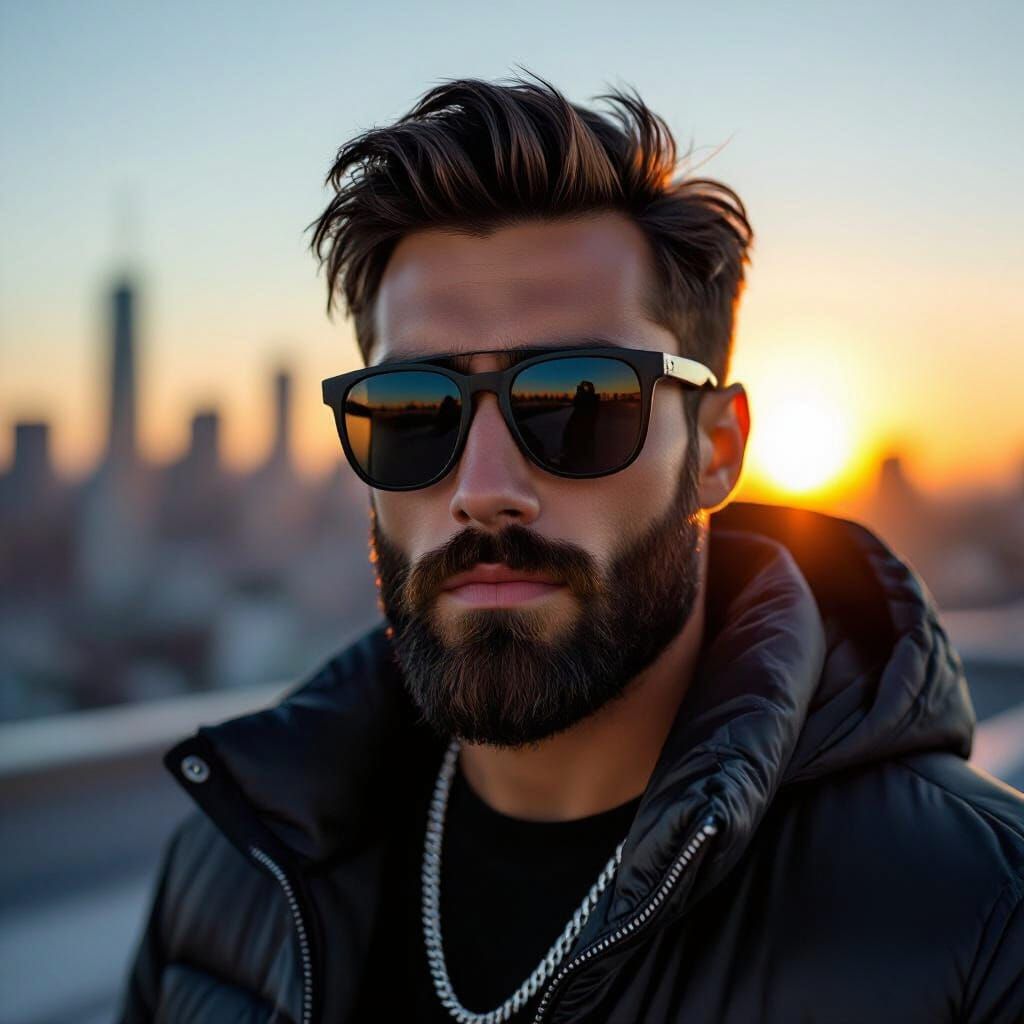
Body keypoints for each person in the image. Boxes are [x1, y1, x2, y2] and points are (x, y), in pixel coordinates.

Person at [118, 72, 1024, 1024]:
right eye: (414, 413)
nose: (483, 491)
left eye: (580, 402)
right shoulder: (231, 876)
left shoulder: (981, 919)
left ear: (716, 451)